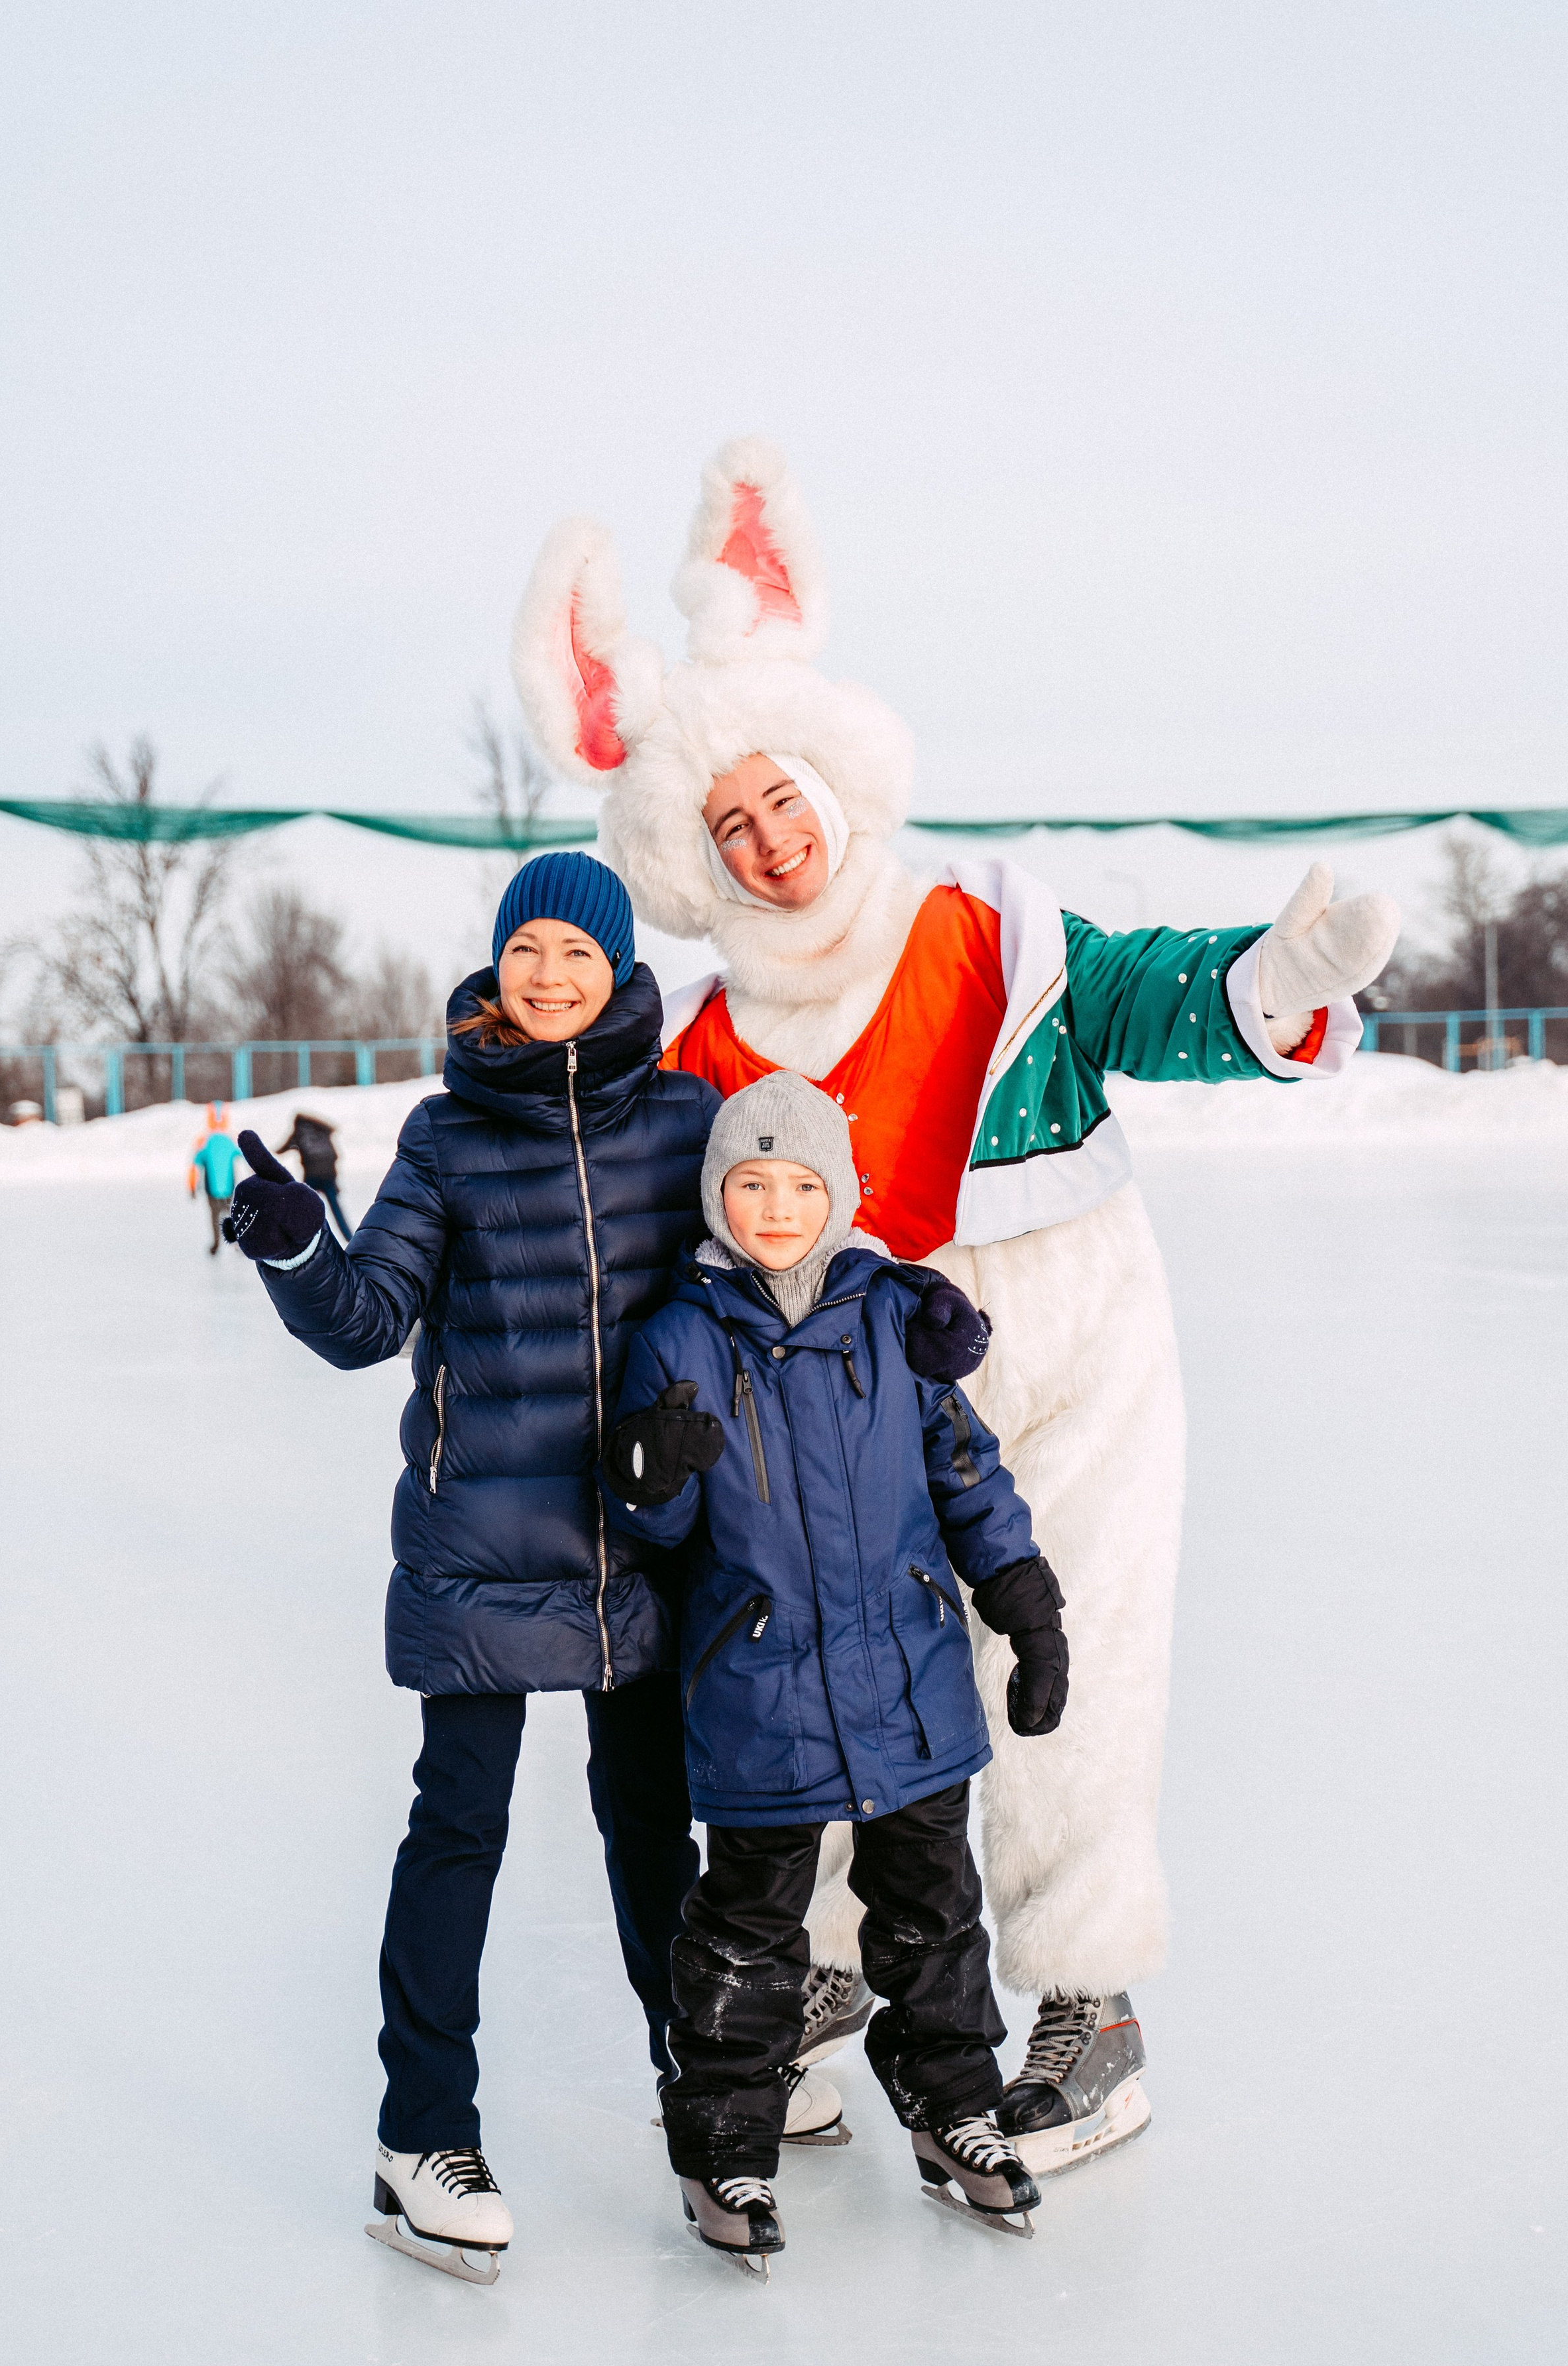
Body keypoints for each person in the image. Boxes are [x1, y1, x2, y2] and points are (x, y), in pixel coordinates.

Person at [512, 438, 1403, 2178]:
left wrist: (1278, 978)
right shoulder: (706, 1041)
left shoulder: (990, 923)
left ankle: (1086, 1995)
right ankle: (834, 1979)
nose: (770, 839)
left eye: (781, 796)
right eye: (729, 824)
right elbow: (633, 1228)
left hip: (1074, 1369)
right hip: (851, 1404)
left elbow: (1152, 998)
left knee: (1070, 1674)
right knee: (834, 1664)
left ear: (835, 778)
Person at [220, 850, 856, 2286]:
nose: (551, 977)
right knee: (461, 1829)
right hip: (481, 1554)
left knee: (654, 1839)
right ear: (498, 967)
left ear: (619, 969)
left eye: (579, 954)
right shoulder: (446, 1139)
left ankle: (701, 2098)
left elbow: (767, 1271)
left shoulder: (684, 1120)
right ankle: (419, 2135)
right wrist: (294, 1252)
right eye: (529, 954)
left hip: (644, 1546)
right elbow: (367, 1314)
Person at [601, 1073, 1064, 2271]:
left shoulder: (891, 1322)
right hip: (765, 1700)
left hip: (909, 1687)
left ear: (837, 1196)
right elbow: (648, 1529)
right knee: (749, 1934)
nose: (775, 1206)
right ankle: (726, 2145)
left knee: (934, 1919)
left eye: (801, 1185)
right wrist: (647, 1475)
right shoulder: (680, 1335)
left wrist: (1024, 1598)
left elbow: (967, 1473)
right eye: (751, 1184)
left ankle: (952, 2108)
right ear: (719, 1194)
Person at [274, 1110, 351, 1241]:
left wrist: (270, 1151)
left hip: (312, 1176)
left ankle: (300, 1238)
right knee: (336, 1208)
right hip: (329, 1174)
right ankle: (349, 1236)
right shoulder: (322, 1130)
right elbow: (335, 1155)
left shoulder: (299, 1132)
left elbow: (284, 1148)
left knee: (304, 1207)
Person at [189, 1105, 242, 1255]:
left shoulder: (204, 1141)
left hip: (211, 1188)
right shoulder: (231, 1140)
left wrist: (192, 1187)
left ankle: (217, 1243)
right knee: (232, 1214)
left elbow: (195, 1165)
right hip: (229, 1186)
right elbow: (246, 1156)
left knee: (215, 1216)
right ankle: (237, 1241)